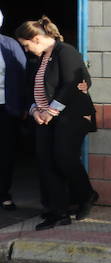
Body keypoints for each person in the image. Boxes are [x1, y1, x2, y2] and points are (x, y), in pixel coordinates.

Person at [15, 17, 97, 230]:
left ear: (36, 38)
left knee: (64, 158)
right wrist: (34, 111)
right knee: (45, 162)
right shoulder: (39, 58)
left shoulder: (65, 52)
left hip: (70, 117)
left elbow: (72, 84)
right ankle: (57, 211)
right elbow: (30, 88)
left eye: (26, 45)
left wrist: (50, 112)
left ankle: (86, 195)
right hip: (43, 118)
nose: (26, 50)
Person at [0, 9, 28, 210]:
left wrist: (26, 105)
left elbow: (24, 76)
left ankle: (3, 194)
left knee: (5, 151)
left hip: (6, 108)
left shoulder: (10, 45)